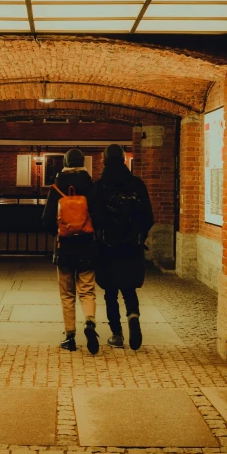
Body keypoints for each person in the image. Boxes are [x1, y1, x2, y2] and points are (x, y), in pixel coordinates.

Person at [92, 144, 154, 351]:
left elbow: (95, 218)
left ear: (104, 160)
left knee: (110, 293)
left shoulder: (100, 186)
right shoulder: (137, 184)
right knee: (129, 289)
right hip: (131, 246)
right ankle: (133, 316)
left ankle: (116, 335)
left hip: (107, 247)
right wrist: (139, 235)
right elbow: (149, 217)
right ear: (124, 159)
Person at [42, 148, 99, 354]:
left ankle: (70, 336)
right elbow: (99, 217)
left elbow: (47, 220)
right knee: (87, 290)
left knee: (67, 294)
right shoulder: (91, 188)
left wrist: (60, 233)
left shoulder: (56, 188)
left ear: (65, 163)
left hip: (64, 249)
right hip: (87, 247)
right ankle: (90, 322)